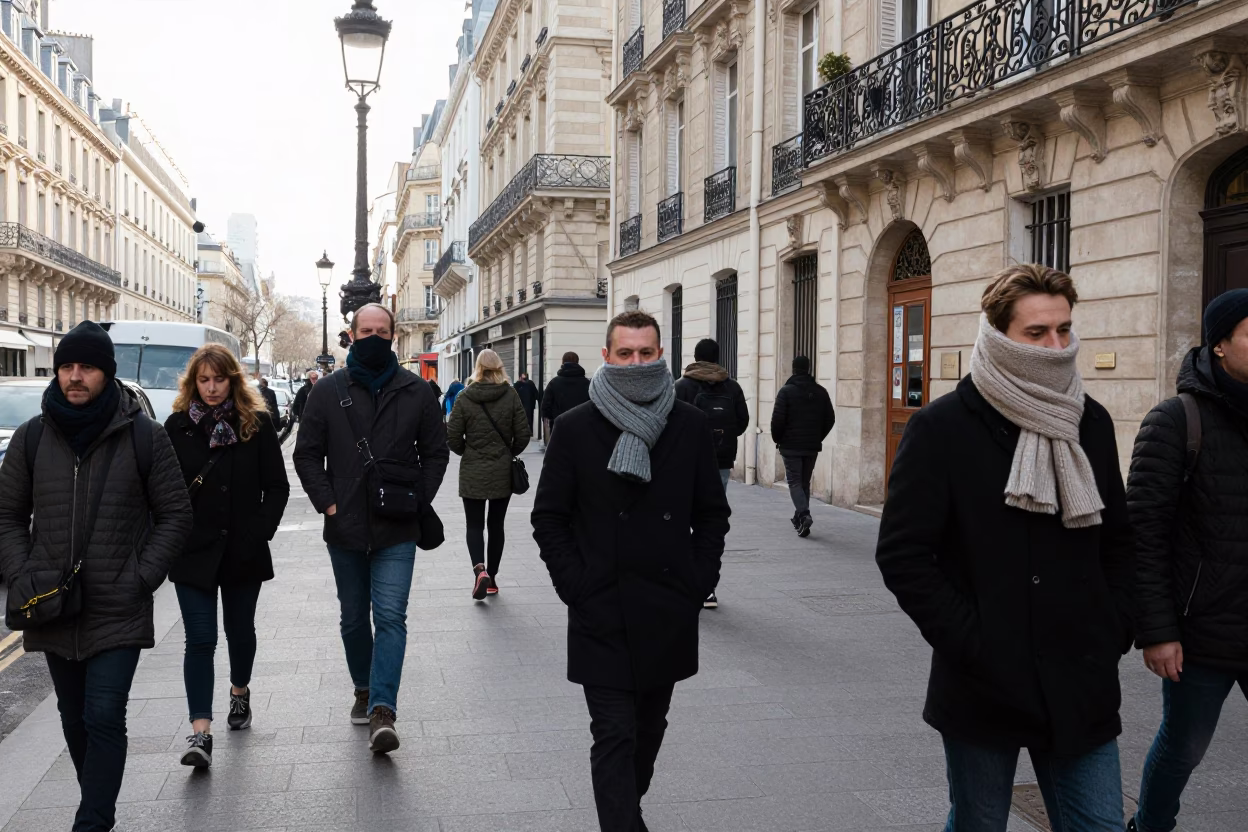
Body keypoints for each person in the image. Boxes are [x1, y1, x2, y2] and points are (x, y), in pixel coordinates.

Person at [875, 265, 1134, 832]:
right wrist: (973, 641)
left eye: (1063, 330)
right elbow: (903, 554)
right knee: (980, 822)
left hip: (1080, 673)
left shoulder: (1089, 420)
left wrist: (1113, 627)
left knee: (1101, 825)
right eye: (1036, 333)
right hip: (985, 680)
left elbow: (1118, 539)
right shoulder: (942, 427)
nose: (1056, 347)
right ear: (997, 334)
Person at [532, 310, 730, 832]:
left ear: (661, 355)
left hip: (667, 607)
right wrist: (575, 585)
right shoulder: (575, 428)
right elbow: (548, 517)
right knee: (614, 734)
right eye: (625, 354)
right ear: (606, 356)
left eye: (645, 353)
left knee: (648, 730)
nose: (636, 363)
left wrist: (697, 581)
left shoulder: (688, 425)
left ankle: (627, 810)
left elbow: (712, 514)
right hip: (600, 607)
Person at [0, 321, 192, 832]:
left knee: (104, 714)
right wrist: (21, 572)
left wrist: (141, 577)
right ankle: (97, 807)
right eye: (67, 366)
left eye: (86, 367)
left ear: (106, 373)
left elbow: (175, 514)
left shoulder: (145, 436)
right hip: (51, 602)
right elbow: (7, 515)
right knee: (73, 716)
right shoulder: (31, 437)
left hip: (118, 603)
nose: (75, 376)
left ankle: (92, 822)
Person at [293, 303, 449, 754]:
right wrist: (328, 502)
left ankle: (383, 709)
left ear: (393, 336)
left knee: (391, 616)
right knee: (353, 618)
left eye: (383, 331)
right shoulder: (328, 391)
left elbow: (436, 452)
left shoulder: (416, 390)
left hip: (398, 525)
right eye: (367, 331)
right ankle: (363, 687)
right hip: (344, 525)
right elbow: (306, 454)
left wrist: (418, 498)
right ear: (352, 335)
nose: (375, 338)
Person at [1127, 289, 1248, 832]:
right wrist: (1157, 631)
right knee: (1184, 749)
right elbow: (1143, 536)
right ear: (1219, 344)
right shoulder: (1176, 420)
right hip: (1202, 632)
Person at [166, 344, 290, 768]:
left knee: (239, 631)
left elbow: (277, 487)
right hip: (193, 550)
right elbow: (161, 491)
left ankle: (239, 691)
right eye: (204, 380)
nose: (212, 387)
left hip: (242, 548)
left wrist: (258, 533)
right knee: (200, 639)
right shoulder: (176, 427)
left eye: (219, 379)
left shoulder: (256, 423)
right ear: (193, 383)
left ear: (233, 380)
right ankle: (201, 733)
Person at [448, 349, 531, 599]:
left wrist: (467, 451)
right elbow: (523, 434)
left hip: (472, 469)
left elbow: (452, 436)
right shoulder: (510, 394)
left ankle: (479, 570)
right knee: (496, 526)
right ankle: (492, 579)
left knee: (474, 525)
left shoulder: (464, 396)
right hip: (502, 471)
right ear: (499, 367)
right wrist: (508, 452)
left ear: (478, 367)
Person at [674, 338, 749, 609]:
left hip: (685, 462)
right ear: (718, 357)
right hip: (720, 460)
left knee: (681, 519)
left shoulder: (681, 386)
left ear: (695, 357)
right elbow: (742, 422)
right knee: (711, 520)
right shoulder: (732, 386)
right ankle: (707, 587)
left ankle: (683, 580)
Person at [769, 355, 834, 537]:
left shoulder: (786, 392)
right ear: (809, 369)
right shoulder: (821, 392)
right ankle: (800, 518)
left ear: (793, 369)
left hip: (790, 446)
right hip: (811, 446)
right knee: (804, 482)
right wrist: (817, 437)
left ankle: (804, 514)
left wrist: (778, 439)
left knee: (795, 482)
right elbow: (830, 419)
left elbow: (777, 420)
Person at [541, 351, 590, 441]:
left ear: (563, 362)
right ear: (577, 362)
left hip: (559, 429)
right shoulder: (587, 384)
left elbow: (545, 408)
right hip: (582, 429)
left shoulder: (554, 383)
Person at [514, 371, 540, 435]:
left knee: (523, 418)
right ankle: (529, 431)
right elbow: (536, 394)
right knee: (529, 418)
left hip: (524, 405)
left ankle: (526, 431)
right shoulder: (530, 384)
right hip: (528, 405)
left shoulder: (518, 385)